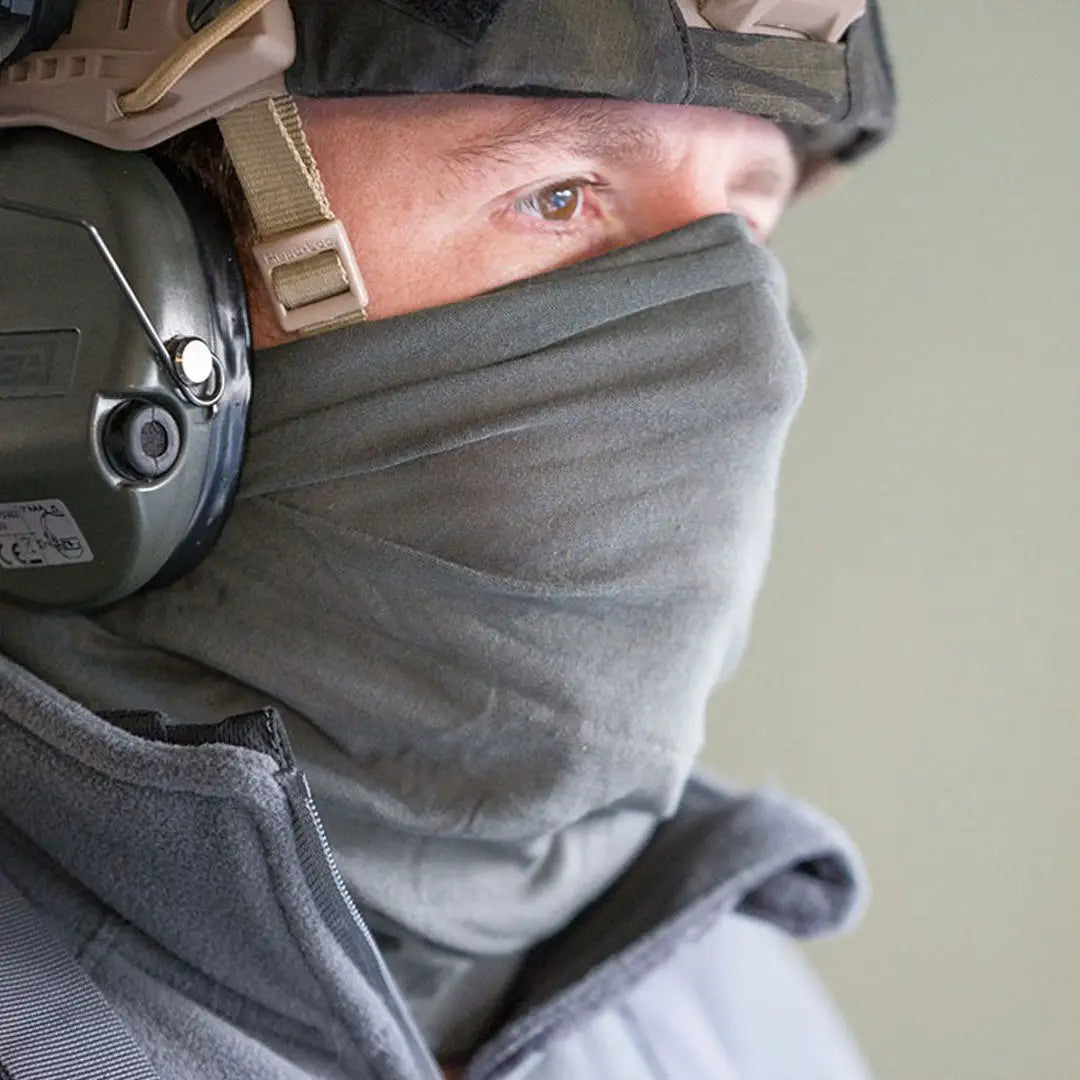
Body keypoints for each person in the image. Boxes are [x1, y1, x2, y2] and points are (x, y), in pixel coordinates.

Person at [0, 2, 895, 1077]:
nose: (745, 364)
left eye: (746, 226)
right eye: (557, 196)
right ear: (65, 279)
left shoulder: (737, 1013)